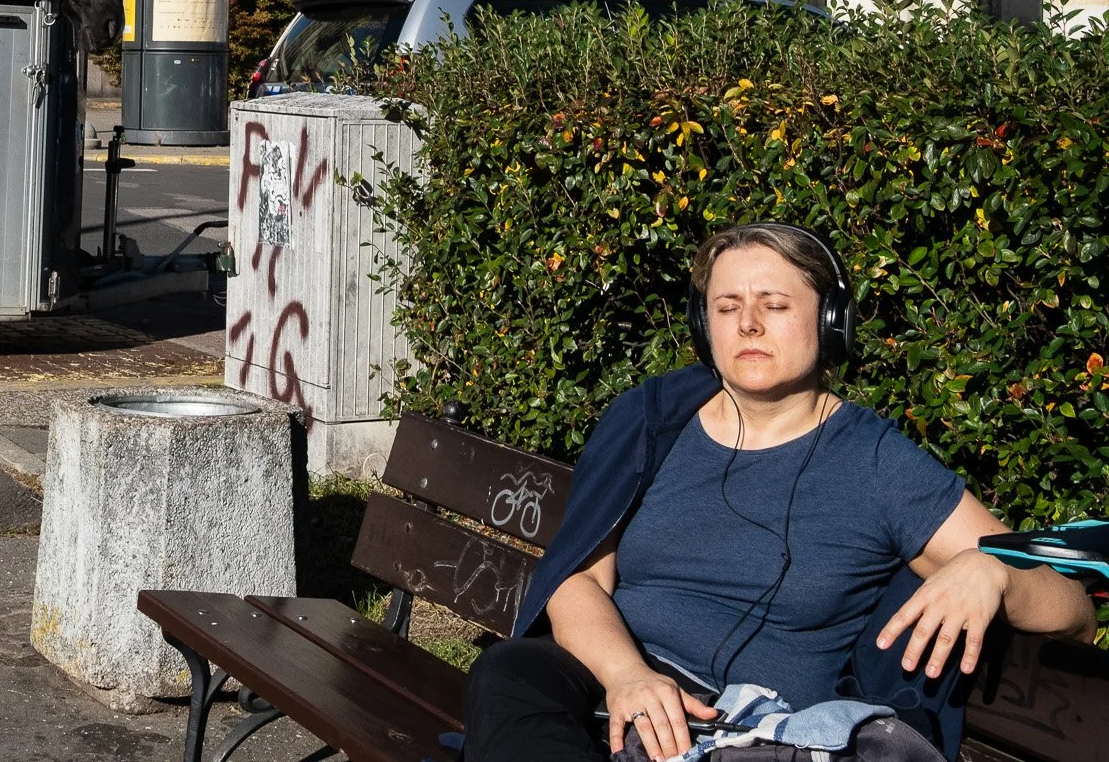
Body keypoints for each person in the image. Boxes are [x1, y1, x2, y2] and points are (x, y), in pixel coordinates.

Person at [462, 223, 1095, 762]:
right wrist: (629, 676)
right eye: (727, 305)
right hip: (611, 685)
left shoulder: (878, 465)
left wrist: (995, 571)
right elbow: (578, 580)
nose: (749, 324)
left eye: (776, 303)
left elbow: (1074, 608)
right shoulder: (654, 424)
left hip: (754, 730)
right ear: (702, 323)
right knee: (508, 671)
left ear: (829, 321)